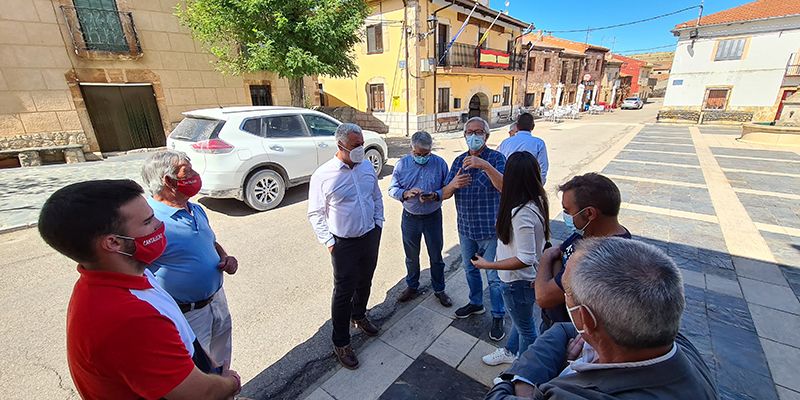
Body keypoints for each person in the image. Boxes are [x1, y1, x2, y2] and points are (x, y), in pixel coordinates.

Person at [39, 180, 241, 399]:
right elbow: (198, 394)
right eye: (148, 221)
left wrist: (210, 367)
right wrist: (230, 382)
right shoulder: (128, 317)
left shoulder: (132, 274)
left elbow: (184, 338)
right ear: (114, 243)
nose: (159, 223)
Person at [485, 238, 718, 399]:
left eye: (566, 292)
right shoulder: (671, 343)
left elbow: (499, 396)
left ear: (584, 318)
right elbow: (563, 331)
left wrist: (520, 384)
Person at [142, 150, 237, 372]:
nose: (195, 174)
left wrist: (224, 257)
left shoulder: (195, 209)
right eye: (188, 171)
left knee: (222, 358)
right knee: (198, 369)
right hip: (187, 314)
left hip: (216, 300)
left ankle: (225, 392)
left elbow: (210, 241)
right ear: (168, 180)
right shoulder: (150, 222)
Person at [308, 123, 384, 370]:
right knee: (343, 292)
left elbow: (376, 196)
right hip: (343, 244)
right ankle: (341, 341)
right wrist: (330, 243)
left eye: (362, 144)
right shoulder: (324, 175)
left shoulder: (366, 168)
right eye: (355, 146)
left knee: (366, 281)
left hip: (369, 236)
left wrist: (378, 224)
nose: (361, 149)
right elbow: (316, 213)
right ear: (340, 145)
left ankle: (359, 315)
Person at [472, 152, 550, 366]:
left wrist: (488, 265)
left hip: (517, 282)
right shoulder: (536, 199)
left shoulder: (522, 212)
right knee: (520, 320)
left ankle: (524, 372)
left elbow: (525, 257)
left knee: (528, 331)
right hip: (524, 280)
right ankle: (510, 351)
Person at [534, 173, 630, 333]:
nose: (566, 216)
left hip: (568, 331)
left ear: (590, 213)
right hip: (553, 320)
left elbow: (543, 297)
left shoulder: (600, 258)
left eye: (567, 211)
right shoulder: (587, 232)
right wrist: (557, 281)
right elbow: (560, 253)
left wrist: (545, 259)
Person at [442, 116, 507, 341]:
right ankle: (476, 303)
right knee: (470, 270)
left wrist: (485, 166)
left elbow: (505, 188)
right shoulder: (459, 161)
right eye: (469, 132)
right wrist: (453, 185)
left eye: (478, 132)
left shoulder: (497, 159)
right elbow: (444, 194)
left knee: (494, 275)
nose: (473, 136)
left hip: (491, 230)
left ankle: (499, 314)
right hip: (466, 229)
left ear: (486, 136)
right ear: (464, 136)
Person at [388, 131, 453, 307]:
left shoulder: (439, 163)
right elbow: (392, 188)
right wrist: (405, 193)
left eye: (426, 154)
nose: (422, 158)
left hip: (433, 217)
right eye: (418, 154)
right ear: (411, 149)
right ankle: (412, 286)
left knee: (436, 256)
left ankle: (439, 289)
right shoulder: (402, 164)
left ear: (431, 150)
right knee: (411, 256)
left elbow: (448, 188)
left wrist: (435, 195)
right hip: (410, 218)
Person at [496, 113, 548, 184]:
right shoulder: (539, 143)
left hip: (509, 185)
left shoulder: (505, 142)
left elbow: (499, 164)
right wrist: (538, 187)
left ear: (517, 126)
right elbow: (543, 168)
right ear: (533, 127)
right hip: (530, 185)